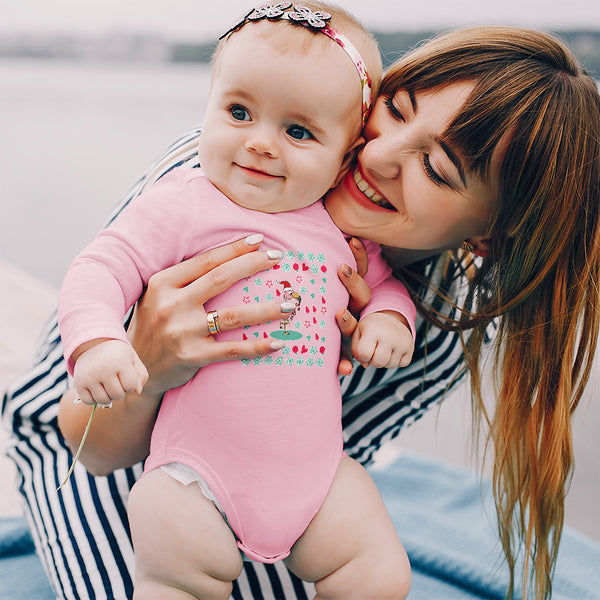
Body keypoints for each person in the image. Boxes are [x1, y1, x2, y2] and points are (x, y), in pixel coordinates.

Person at [3, 22, 599, 600]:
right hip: (86, 439)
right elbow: (93, 446)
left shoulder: (436, 331)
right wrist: (150, 357)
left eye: (437, 170)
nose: (379, 157)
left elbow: (311, 480)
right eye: (395, 110)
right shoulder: (229, 168)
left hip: (257, 482)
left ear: (487, 237)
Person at [57, 3, 415, 598]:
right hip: (194, 475)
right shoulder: (186, 202)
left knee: (378, 572)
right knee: (177, 575)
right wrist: (97, 341)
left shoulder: (334, 228)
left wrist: (388, 318)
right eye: (239, 112)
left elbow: (384, 285)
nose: (259, 144)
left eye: (298, 131)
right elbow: (100, 266)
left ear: (346, 156)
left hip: (316, 477)